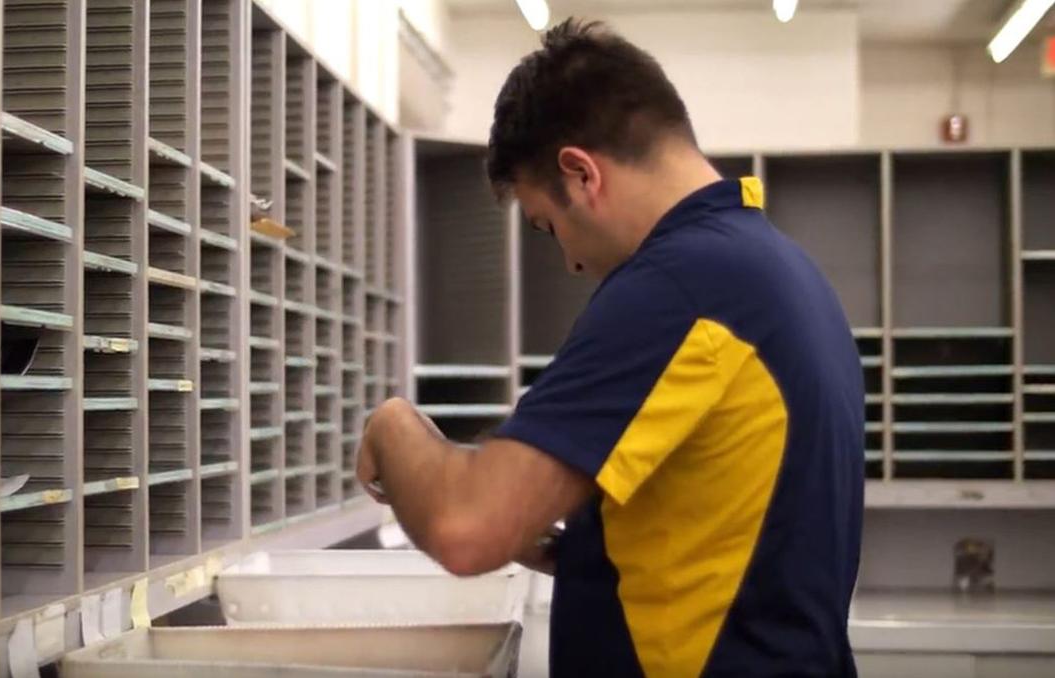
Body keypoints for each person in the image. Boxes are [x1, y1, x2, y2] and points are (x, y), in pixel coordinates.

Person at [356, 18, 863, 678]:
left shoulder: (682, 286)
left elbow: (463, 528)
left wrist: (393, 424)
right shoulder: (778, 271)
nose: (567, 261)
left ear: (580, 173)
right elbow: (719, 543)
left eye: (547, 225)